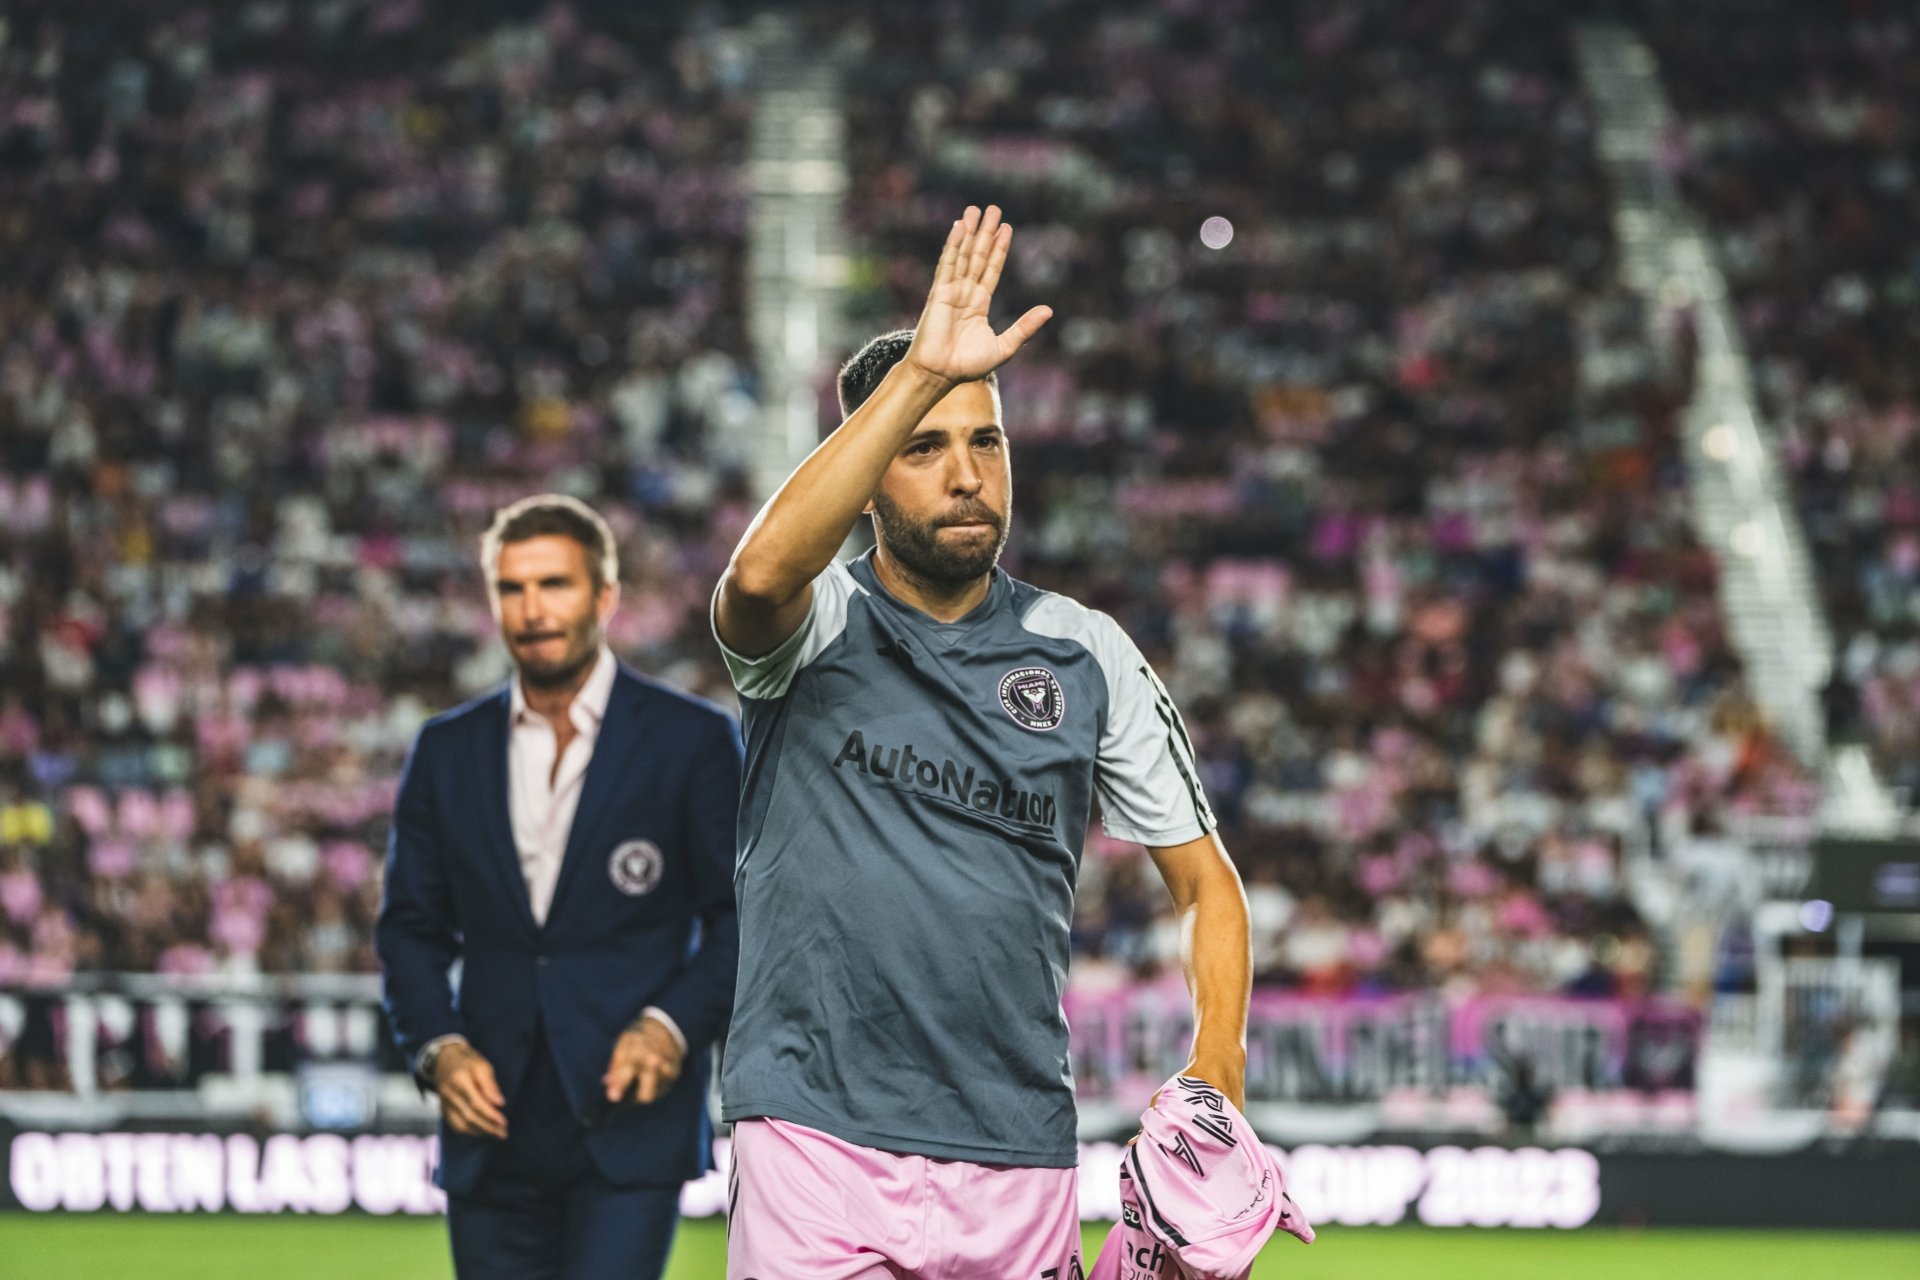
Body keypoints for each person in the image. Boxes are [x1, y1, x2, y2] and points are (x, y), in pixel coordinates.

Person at [712, 205, 1254, 1279]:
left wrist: (1218, 1066)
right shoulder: (816, 627)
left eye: (985, 440)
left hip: (1017, 1153)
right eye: (923, 447)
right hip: (816, 1134)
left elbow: (1205, 885)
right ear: (868, 475)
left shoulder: (1086, 650)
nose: (966, 473)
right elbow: (759, 579)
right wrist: (919, 369)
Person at [377, 494, 742, 1280]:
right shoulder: (447, 750)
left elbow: (744, 919)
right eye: (512, 589)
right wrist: (437, 1047)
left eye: (555, 585)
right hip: (489, 1126)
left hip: (629, 1120)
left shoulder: (692, 741)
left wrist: (672, 1025)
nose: (533, 609)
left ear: (605, 597)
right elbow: (410, 928)